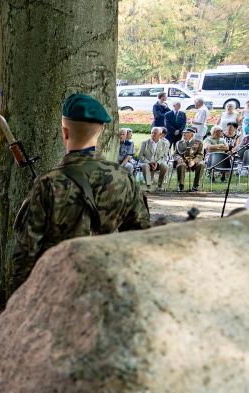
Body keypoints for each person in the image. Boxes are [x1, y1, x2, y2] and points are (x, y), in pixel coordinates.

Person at [11, 93, 151, 290]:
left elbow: (27, 249)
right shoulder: (124, 178)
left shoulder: (48, 183)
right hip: (105, 288)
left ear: (64, 132)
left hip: (56, 289)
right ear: (101, 130)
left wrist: (18, 297)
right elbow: (140, 238)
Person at [173, 126, 205, 192]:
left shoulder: (198, 143)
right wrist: (178, 158)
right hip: (183, 161)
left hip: (193, 161)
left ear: (192, 135)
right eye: (184, 133)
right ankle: (181, 185)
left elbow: (200, 155)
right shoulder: (179, 143)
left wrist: (194, 161)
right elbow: (174, 154)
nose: (184, 134)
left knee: (201, 165)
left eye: (186, 133)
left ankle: (195, 185)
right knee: (181, 165)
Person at [138, 126, 170, 191]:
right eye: (152, 133)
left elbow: (164, 157)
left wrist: (157, 163)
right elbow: (140, 156)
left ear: (160, 135)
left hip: (158, 162)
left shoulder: (165, 144)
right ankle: (148, 186)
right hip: (147, 162)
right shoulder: (145, 143)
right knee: (145, 166)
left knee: (165, 166)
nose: (153, 135)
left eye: (155, 133)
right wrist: (149, 162)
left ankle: (159, 185)